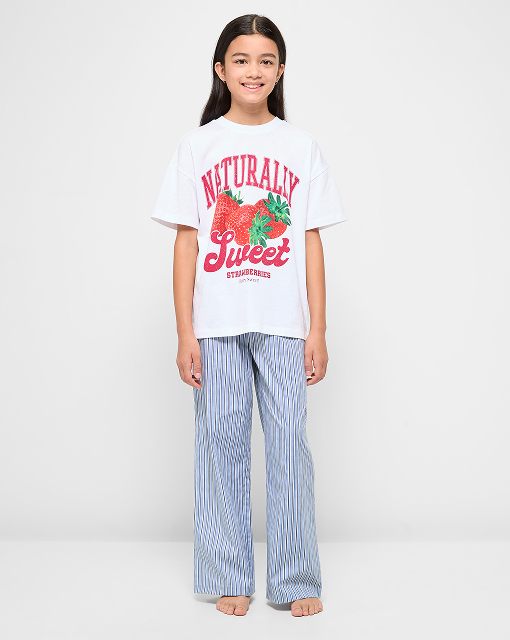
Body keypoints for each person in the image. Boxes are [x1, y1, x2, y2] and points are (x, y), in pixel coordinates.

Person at [150, 13, 347, 618]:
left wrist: (318, 328)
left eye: (265, 61)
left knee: (290, 450)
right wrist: (185, 331)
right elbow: (187, 242)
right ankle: (227, 572)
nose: (253, 71)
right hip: (215, 325)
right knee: (221, 448)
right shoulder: (198, 146)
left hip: (284, 324)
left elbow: (311, 242)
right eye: (241, 60)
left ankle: (294, 576)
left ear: (280, 71)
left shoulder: (300, 146)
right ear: (221, 70)